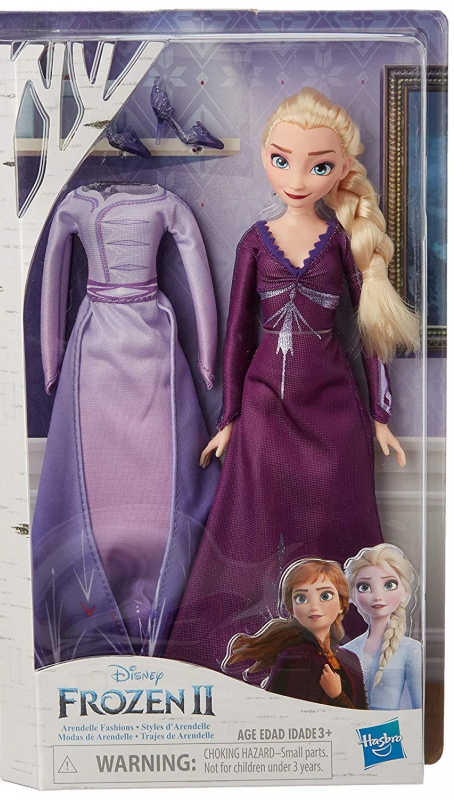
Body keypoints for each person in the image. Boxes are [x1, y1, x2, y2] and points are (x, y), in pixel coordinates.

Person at [163, 87, 418, 673]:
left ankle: (341, 664)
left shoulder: (344, 243)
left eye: (318, 166)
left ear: (342, 170)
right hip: (265, 406)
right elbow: (237, 334)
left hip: (333, 412)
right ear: (265, 157)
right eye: (282, 160)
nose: (298, 178)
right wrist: (230, 416)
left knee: (332, 526)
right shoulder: (256, 241)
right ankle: (241, 661)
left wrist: (379, 416)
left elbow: (371, 331)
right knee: (251, 530)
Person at [224, 558, 367, 708]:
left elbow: (363, 715)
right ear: (291, 608)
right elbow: (292, 714)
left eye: (325, 596)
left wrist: (338, 696)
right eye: (301, 598)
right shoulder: (296, 658)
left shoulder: (349, 659)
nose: (314, 606)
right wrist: (337, 696)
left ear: (341, 604)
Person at [343, 544, 422, 710]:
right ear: (353, 595)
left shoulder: (411, 650)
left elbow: (418, 710)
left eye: (389, 585)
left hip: (393, 726)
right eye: (364, 587)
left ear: (405, 592)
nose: (378, 596)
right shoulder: (347, 650)